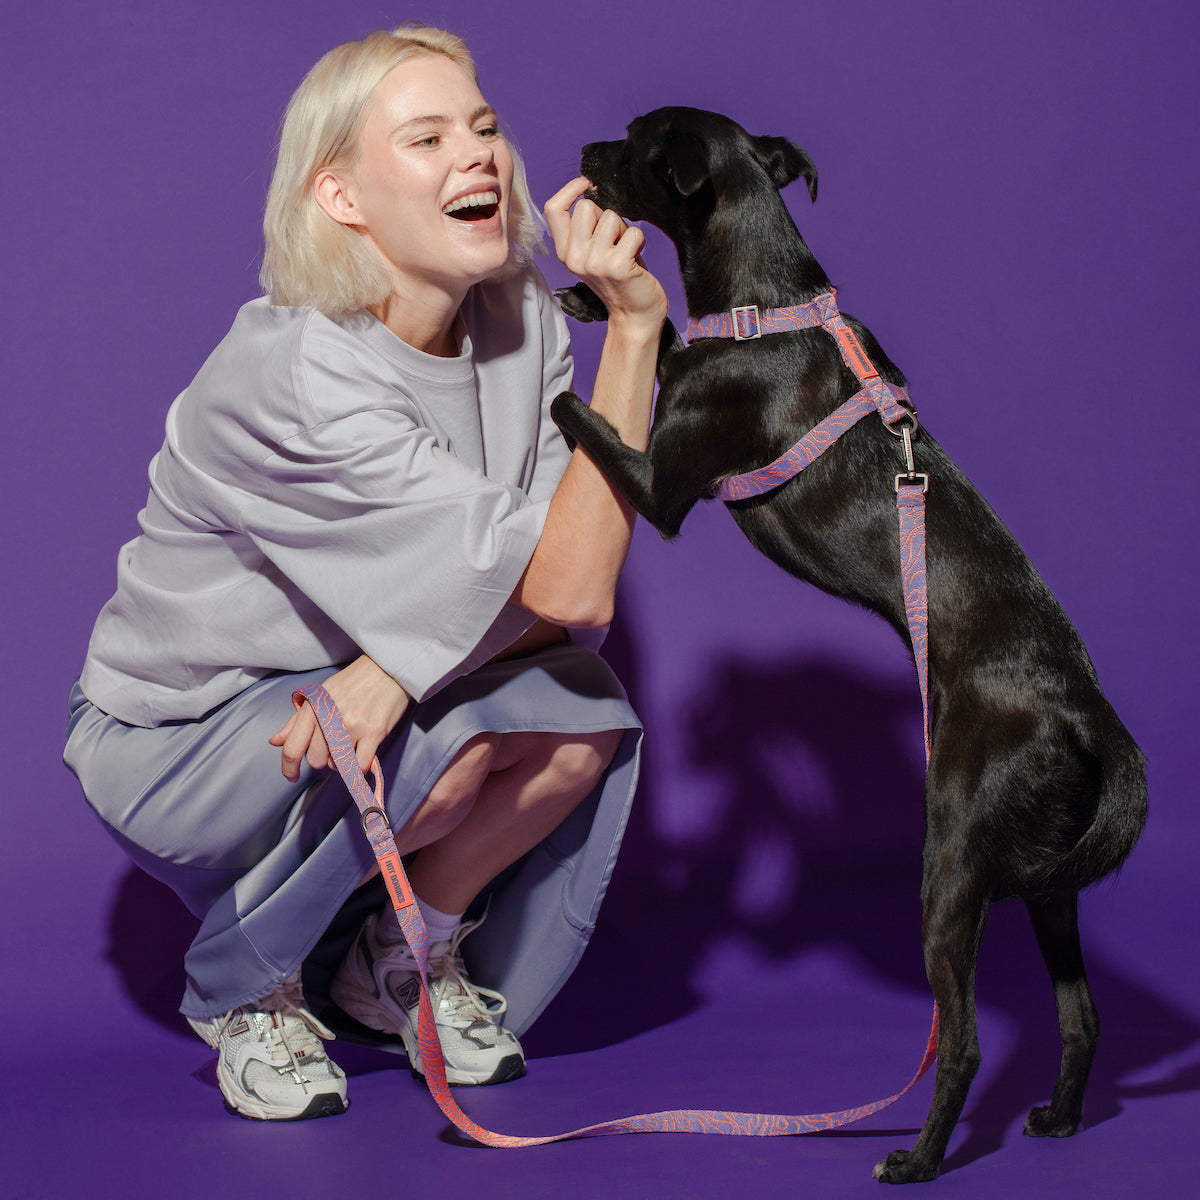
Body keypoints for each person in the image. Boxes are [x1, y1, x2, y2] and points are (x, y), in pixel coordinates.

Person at [63, 22, 666, 1122]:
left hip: (351, 691)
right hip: (176, 734)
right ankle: (243, 988)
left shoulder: (525, 319)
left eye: (483, 127)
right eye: (427, 138)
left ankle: (389, 963)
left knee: (581, 722)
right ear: (342, 198)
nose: (478, 154)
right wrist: (411, 662)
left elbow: (573, 591)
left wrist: (634, 327)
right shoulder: (298, 375)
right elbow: (561, 585)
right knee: (445, 748)